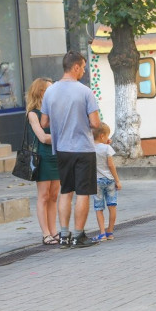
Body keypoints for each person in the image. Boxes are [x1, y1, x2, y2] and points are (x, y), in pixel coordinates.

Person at [41, 51, 101, 248]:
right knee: (83, 192)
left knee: (66, 191)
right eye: (82, 67)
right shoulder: (85, 91)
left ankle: (64, 236)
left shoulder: (50, 91)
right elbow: (95, 123)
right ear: (75, 67)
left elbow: (44, 122)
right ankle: (78, 235)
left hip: (62, 149)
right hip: (83, 148)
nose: (83, 71)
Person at [26, 77, 60, 245]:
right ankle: (45, 233)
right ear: (40, 91)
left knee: (54, 196)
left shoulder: (54, 110)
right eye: (49, 89)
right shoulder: (33, 113)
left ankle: (54, 231)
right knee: (44, 196)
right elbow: (43, 138)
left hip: (57, 155)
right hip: (43, 157)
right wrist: (63, 137)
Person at [92, 123, 122, 242]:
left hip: (96, 181)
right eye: (107, 136)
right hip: (109, 180)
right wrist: (117, 180)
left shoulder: (89, 148)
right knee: (112, 206)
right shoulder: (107, 148)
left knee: (98, 208)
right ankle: (110, 231)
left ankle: (102, 233)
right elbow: (111, 165)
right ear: (102, 135)